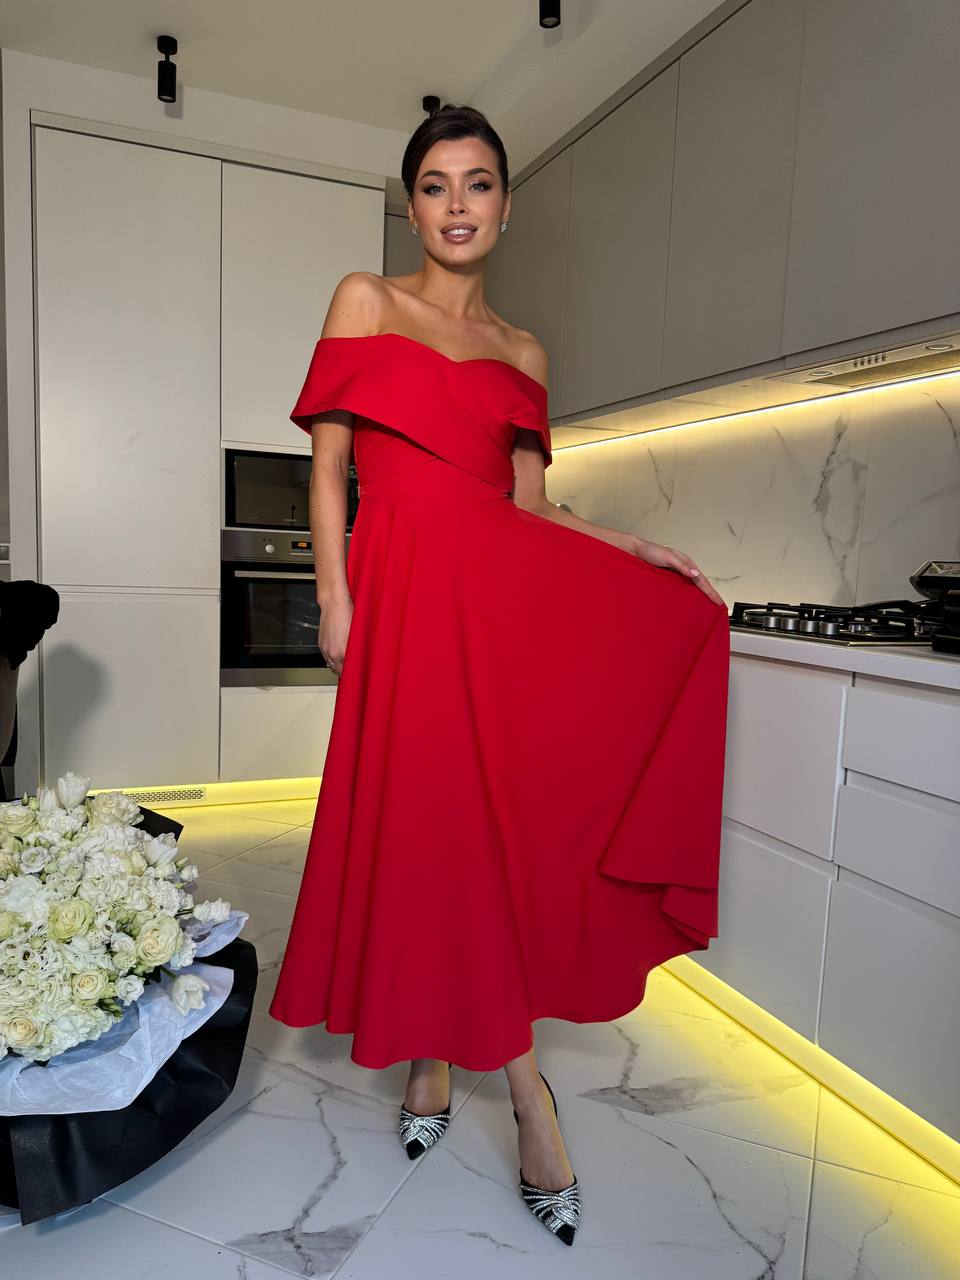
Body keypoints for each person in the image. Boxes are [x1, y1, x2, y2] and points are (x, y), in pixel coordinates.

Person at [269, 103, 730, 1246]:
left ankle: (473, 1073)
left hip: (491, 615)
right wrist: (335, 595)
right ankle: (520, 1094)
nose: (458, 204)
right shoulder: (364, 301)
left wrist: (631, 548)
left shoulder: (524, 352)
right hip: (400, 602)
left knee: (479, 835)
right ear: (412, 203)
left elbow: (526, 510)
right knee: (438, 829)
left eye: (478, 184)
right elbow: (328, 469)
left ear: (506, 205)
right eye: (435, 185)